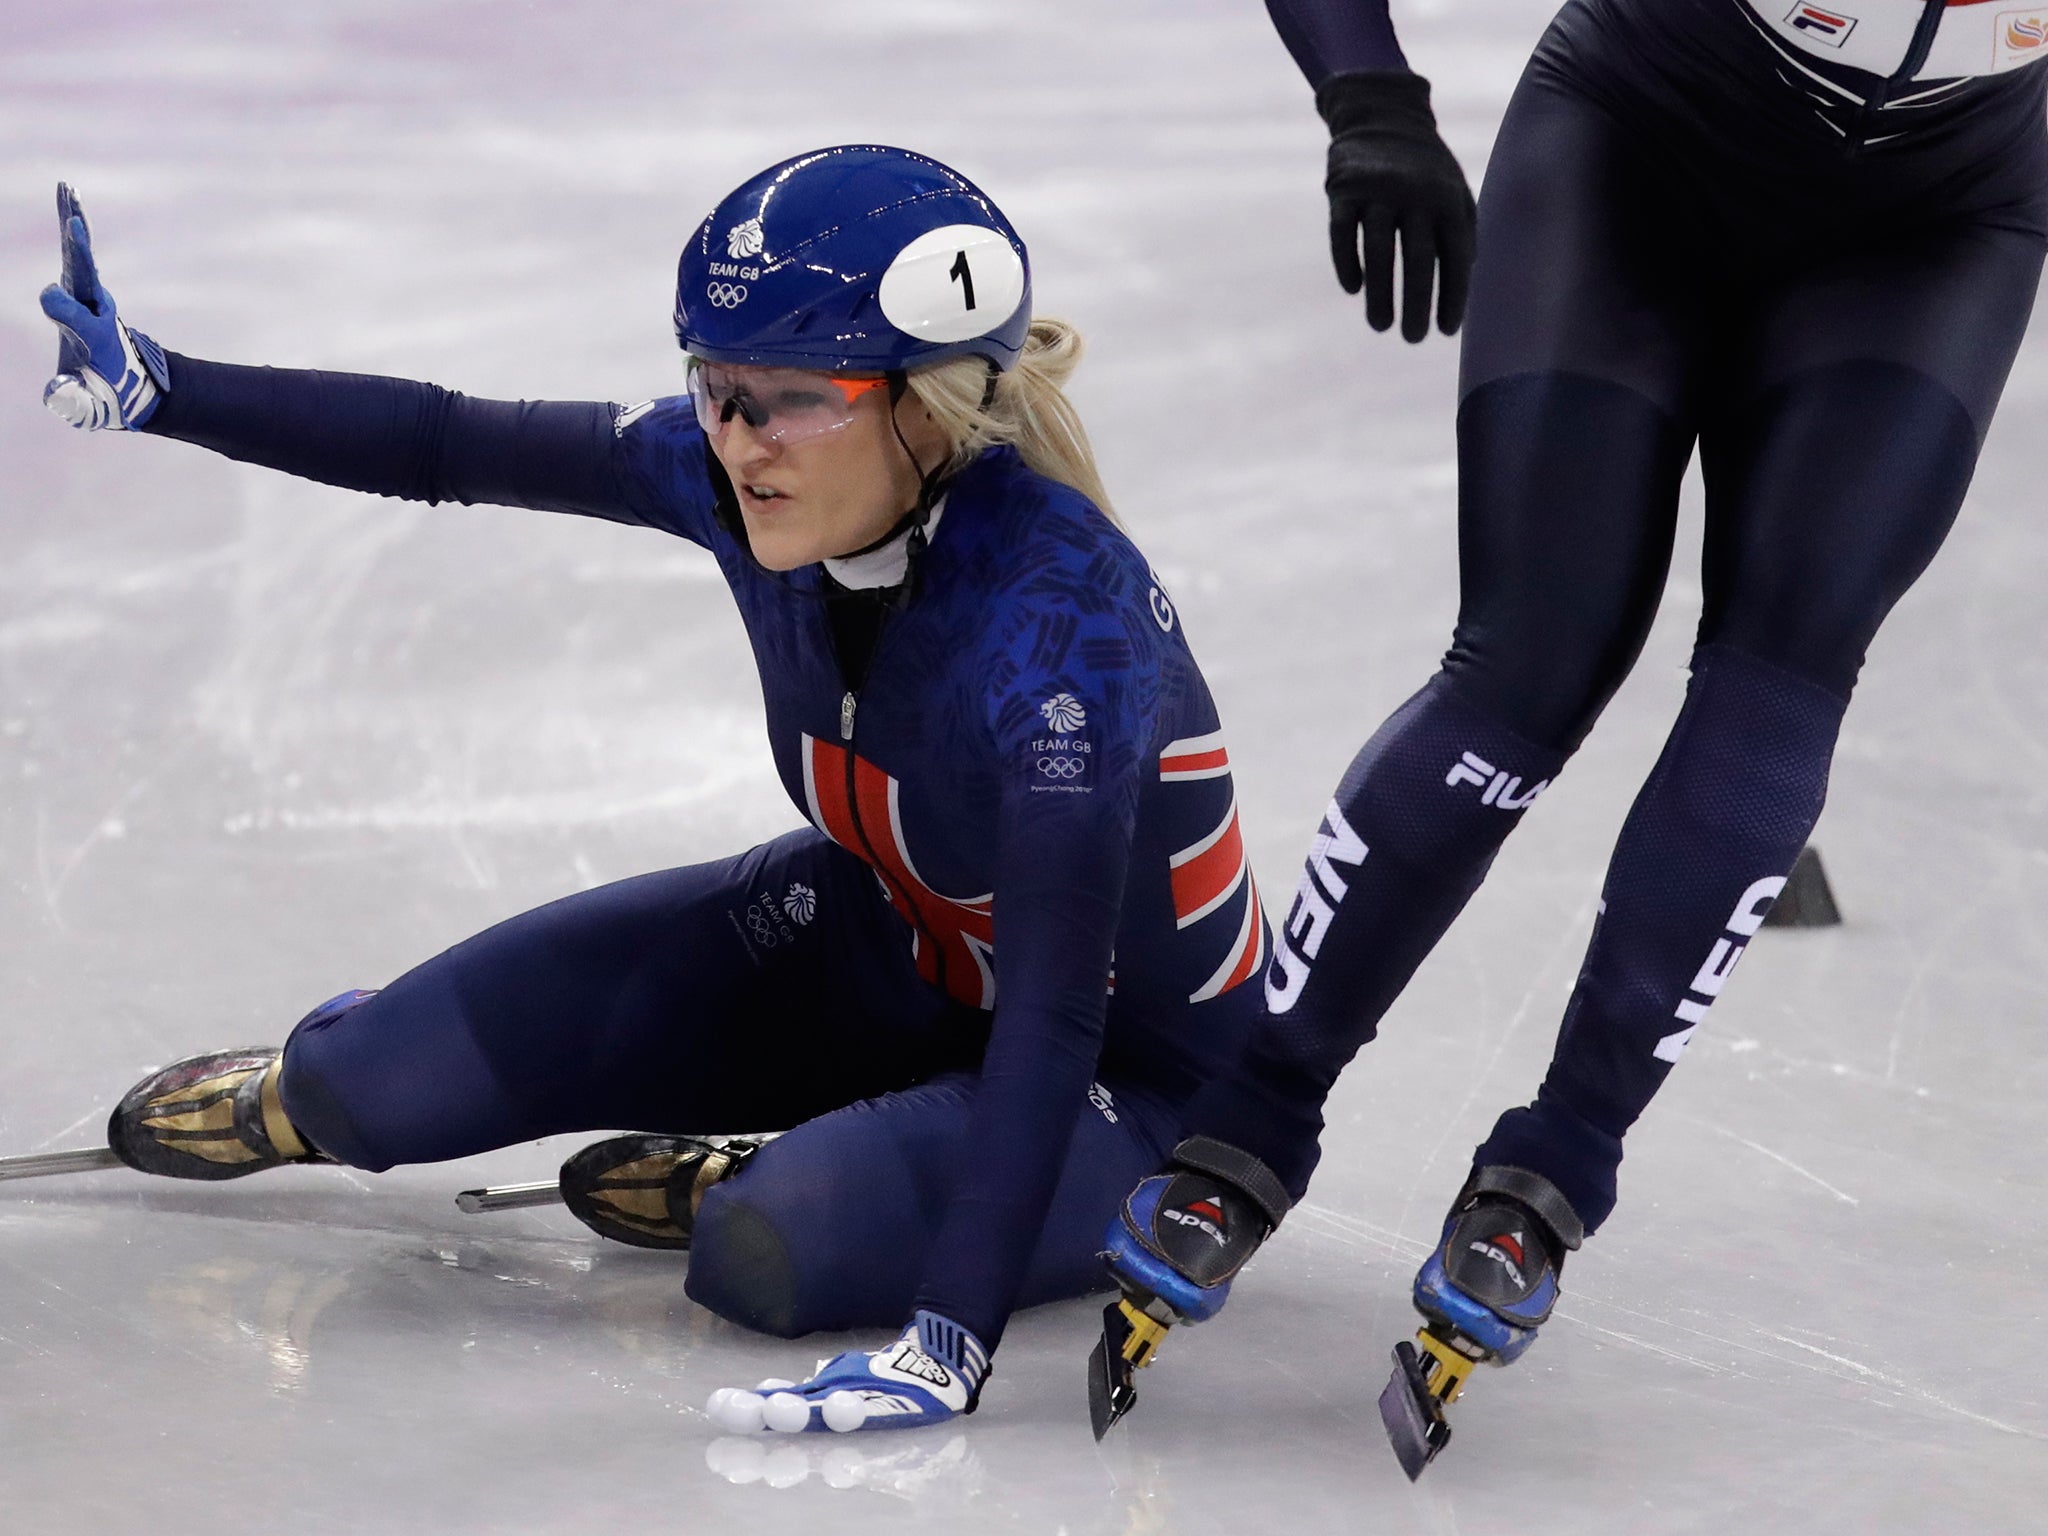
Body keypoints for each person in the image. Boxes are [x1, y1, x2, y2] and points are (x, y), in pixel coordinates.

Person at [36, 147, 1272, 1435]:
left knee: (765, 1249)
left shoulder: (1062, 630)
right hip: (885, 954)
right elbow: (450, 439)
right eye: (716, 390)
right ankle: (733, 1120)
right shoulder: (739, 475)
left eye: (790, 399)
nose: (736, 444)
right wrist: (158, 385)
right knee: (359, 1089)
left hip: (1125, 1088)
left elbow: (1059, 1015)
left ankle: (798, 1169)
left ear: (928, 408)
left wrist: (946, 1342)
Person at [1096, 0, 2048, 1470]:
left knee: (1779, 680)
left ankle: (1559, 1163)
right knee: (1530, 668)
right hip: (1643, 146)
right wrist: (1368, 98)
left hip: (1938, 228)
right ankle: (1254, 1111)